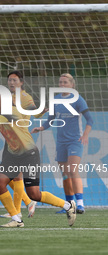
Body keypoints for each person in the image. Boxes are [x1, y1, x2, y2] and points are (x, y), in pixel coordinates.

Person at [0, 89, 76, 228]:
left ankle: (68, 206)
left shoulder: (9, 112)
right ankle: (16, 219)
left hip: (29, 154)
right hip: (13, 155)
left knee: (34, 194)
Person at [31, 73, 93, 214]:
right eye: (61, 82)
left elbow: (90, 120)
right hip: (61, 143)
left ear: (72, 84)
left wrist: (85, 134)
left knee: (72, 170)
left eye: (65, 82)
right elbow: (50, 120)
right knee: (65, 174)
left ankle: (80, 204)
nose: (62, 85)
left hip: (75, 141)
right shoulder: (56, 100)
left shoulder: (78, 100)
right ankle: (69, 205)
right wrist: (41, 127)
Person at [0, 70, 48, 219]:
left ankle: (17, 210)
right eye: (9, 80)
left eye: (15, 80)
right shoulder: (9, 97)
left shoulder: (24, 97)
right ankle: (27, 203)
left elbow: (34, 110)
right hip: (11, 140)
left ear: (21, 83)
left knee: (16, 178)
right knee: (7, 178)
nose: (11, 83)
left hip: (21, 142)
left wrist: (41, 112)